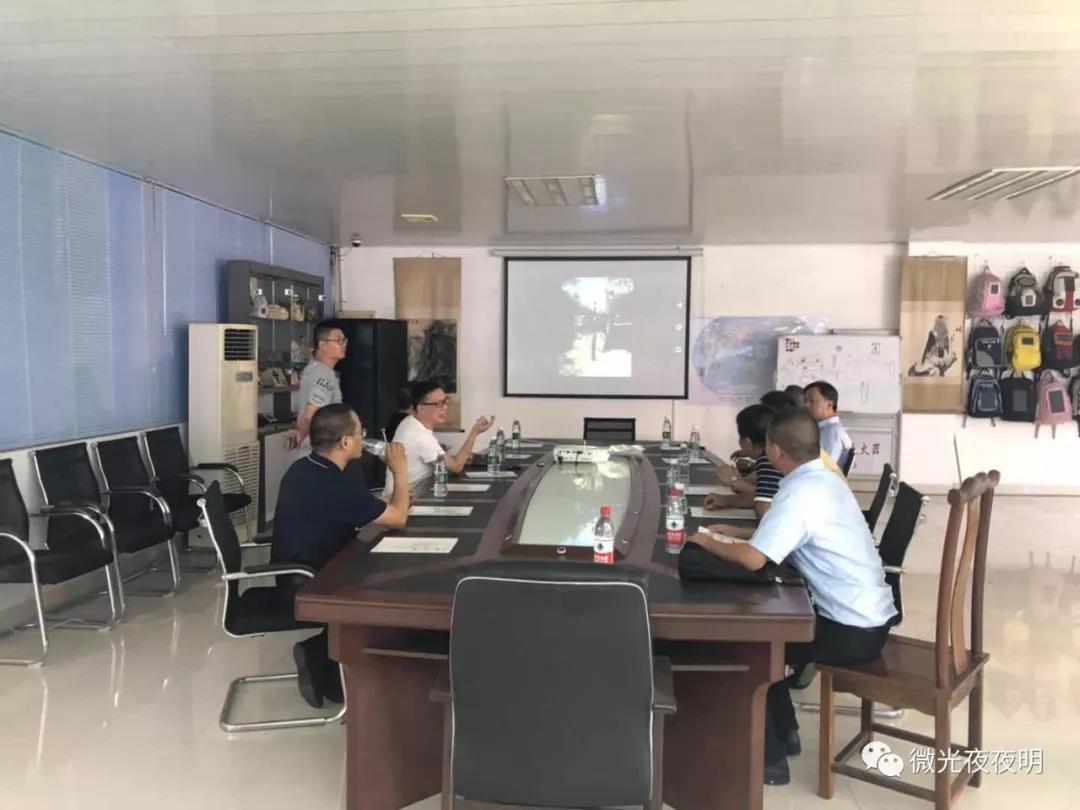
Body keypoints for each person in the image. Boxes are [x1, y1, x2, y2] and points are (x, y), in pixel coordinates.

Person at [691, 409, 896, 785]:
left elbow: (754, 559)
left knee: (750, 643)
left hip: (849, 631)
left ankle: (770, 760)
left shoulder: (800, 492)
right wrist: (736, 533)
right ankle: (785, 733)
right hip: (868, 619)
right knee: (768, 633)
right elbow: (789, 533)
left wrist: (705, 541)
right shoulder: (822, 478)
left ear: (775, 450)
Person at [271, 403, 411, 708]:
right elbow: (399, 518)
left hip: (298, 570)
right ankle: (323, 658)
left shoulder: (305, 468)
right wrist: (400, 473)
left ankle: (323, 654)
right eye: (360, 432)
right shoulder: (335, 483)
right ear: (346, 442)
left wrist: (384, 500)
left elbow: (350, 505)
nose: (365, 437)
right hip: (313, 580)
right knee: (390, 584)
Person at [386, 379, 494, 493]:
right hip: (404, 502)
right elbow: (456, 467)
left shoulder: (409, 422)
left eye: (445, 402)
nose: (444, 407)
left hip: (410, 495)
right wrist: (475, 432)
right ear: (420, 408)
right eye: (438, 404)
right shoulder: (420, 436)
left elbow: (445, 461)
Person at [704, 404, 780, 519]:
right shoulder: (771, 456)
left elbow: (766, 513)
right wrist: (725, 500)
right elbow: (759, 498)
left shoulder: (767, 460)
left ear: (748, 442)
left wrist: (733, 480)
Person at [285, 320, 348, 450]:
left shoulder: (313, 367)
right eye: (339, 341)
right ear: (322, 344)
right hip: (321, 447)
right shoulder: (324, 374)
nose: (344, 345)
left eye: (344, 341)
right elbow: (310, 414)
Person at [804, 380, 852, 467]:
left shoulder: (831, 432)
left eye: (812, 401)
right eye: (805, 401)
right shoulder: (825, 429)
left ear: (829, 404)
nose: (806, 405)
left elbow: (822, 468)